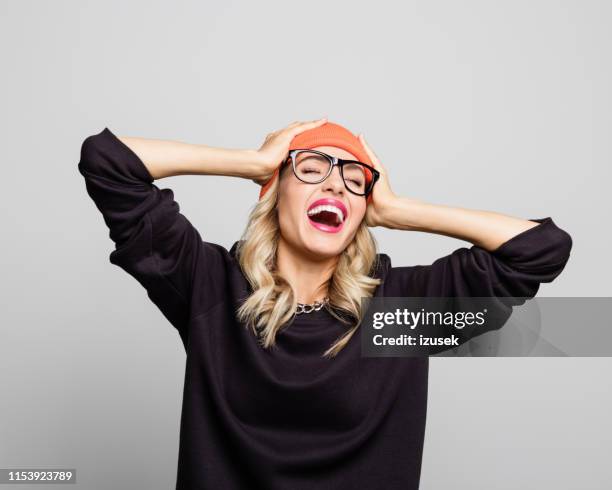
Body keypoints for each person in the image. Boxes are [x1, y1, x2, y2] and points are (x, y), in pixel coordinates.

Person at [77, 119, 572, 489]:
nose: (335, 183)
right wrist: (250, 162)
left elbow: (540, 249)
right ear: (275, 194)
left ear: (363, 211)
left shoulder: (396, 315)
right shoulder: (210, 287)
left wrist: (398, 211)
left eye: (355, 179)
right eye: (311, 169)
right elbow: (107, 161)